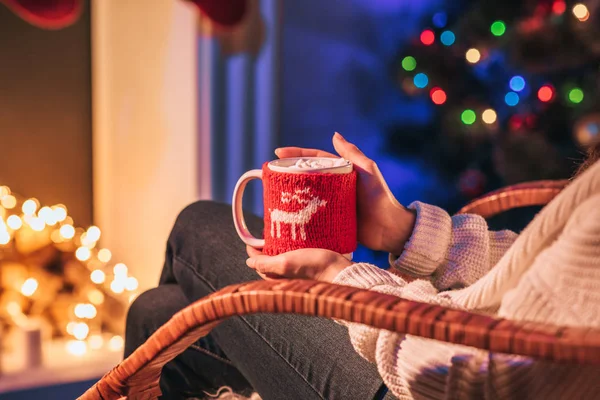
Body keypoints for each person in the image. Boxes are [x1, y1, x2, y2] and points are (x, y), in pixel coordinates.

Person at [124, 133, 600, 400]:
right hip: (448, 347)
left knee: (197, 225)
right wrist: (405, 231)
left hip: (427, 382)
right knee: (157, 313)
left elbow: (483, 380)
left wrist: (343, 286)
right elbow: (539, 278)